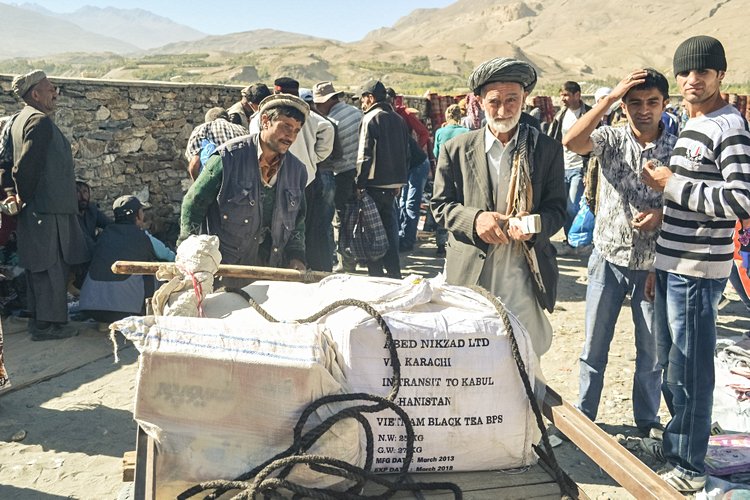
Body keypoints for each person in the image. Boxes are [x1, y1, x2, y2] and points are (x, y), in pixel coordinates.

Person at [640, 36, 750, 493]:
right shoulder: (693, 123)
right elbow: (693, 198)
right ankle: (677, 444)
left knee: (691, 368)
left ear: (721, 75)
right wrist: (660, 242)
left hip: (698, 270)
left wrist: (672, 185)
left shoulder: (730, 127)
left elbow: (741, 199)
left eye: (702, 71)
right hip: (673, 262)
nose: (691, 80)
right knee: (670, 362)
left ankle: (688, 462)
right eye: (685, 72)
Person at [563, 68, 677, 438]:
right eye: (635, 103)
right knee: (594, 346)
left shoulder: (680, 145)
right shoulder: (610, 138)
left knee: (652, 352)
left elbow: (692, 200)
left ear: (665, 104)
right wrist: (609, 98)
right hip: (607, 258)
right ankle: (583, 417)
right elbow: (572, 142)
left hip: (655, 265)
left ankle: (646, 423)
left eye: (652, 102)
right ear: (624, 106)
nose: (644, 110)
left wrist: (661, 214)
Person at [431, 57, 566, 357]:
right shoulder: (457, 149)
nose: (504, 110)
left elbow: (557, 210)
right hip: (470, 275)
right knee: (466, 358)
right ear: (478, 101)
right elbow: (440, 206)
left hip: (522, 274)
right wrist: (475, 219)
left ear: (525, 99)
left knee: (522, 359)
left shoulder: (546, 150)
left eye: (512, 100)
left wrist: (532, 226)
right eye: (494, 102)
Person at [179, 94, 310, 283]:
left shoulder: (297, 171)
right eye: (286, 127)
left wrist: (296, 256)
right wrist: (188, 252)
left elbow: (298, 220)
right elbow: (194, 203)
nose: (291, 136)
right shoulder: (227, 158)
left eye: (296, 130)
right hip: (226, 270)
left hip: (271, 271)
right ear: (265, 121)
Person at [8, 70, 89, 341]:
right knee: (50, 268)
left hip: (42, 208)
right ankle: (48, 326)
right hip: (45, 209)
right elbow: (24, 167)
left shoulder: (19, 120)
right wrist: (23, 196)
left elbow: (7, 164)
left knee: (41, 266)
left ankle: (43, 321)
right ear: (35, 94)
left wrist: (15, 196)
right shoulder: (38, 122)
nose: (55, 92)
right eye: (51, 88)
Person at [79, 195, 173, 323]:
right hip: (126, 310)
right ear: (138, 216)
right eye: (141, 211)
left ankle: (106, 321)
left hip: (92, 308)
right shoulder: (143, 237)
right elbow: (170, 257)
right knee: (155, 268)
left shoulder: (104, 235)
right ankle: (148, 313)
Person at [355, 79, 409, 279]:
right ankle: (395, 274)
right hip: (393, 187)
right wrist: (400, 183)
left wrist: (360, 184)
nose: (361, 104)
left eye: (362, 99)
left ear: (370, 98)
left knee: (372, 233)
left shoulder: (371, 118)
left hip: (373, 186)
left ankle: (376, 277)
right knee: (390, 232)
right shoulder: (398, 119)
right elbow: (406, 154)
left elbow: (364, 155)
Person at [312, 81, 363, 273]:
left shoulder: (330, 122)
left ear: (326, 101)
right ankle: (358, 255)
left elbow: (334, 154)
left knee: (340, 219)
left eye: (318, 104)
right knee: (356, 216)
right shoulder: (357, 113)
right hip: (359, 171)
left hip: (341, 174)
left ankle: (346, 262)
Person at [548, 81, 592, 251]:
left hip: (580, 167)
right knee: (564, 206)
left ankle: (578, 240)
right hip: (562, 167)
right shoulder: (560, 116)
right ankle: (569, 240)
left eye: (566, 95)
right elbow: (553, 139)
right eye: (561, 95)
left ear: (577, 95)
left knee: (573, 205)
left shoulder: (589, 114)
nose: (563, 99)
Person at [429, 104, 470, 257]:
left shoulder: (440, 132)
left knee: (443, 206)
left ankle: (441, 244)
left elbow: (436, 152)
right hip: (462, 175)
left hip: (444, 174)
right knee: (461, 207)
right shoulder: (467, 132)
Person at [184, 107, 247, 180]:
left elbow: (195, 163)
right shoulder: (242, 130)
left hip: (216, 183)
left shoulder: (201, 129)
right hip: (243, 182)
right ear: (228, 119)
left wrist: (198, 185)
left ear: (208, 120)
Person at [76, 179, 111, 253]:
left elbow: (110, 225)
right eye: (77, 192)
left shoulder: (91, 210)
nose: (83, 197)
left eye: (85, 192)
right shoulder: (69, 216)